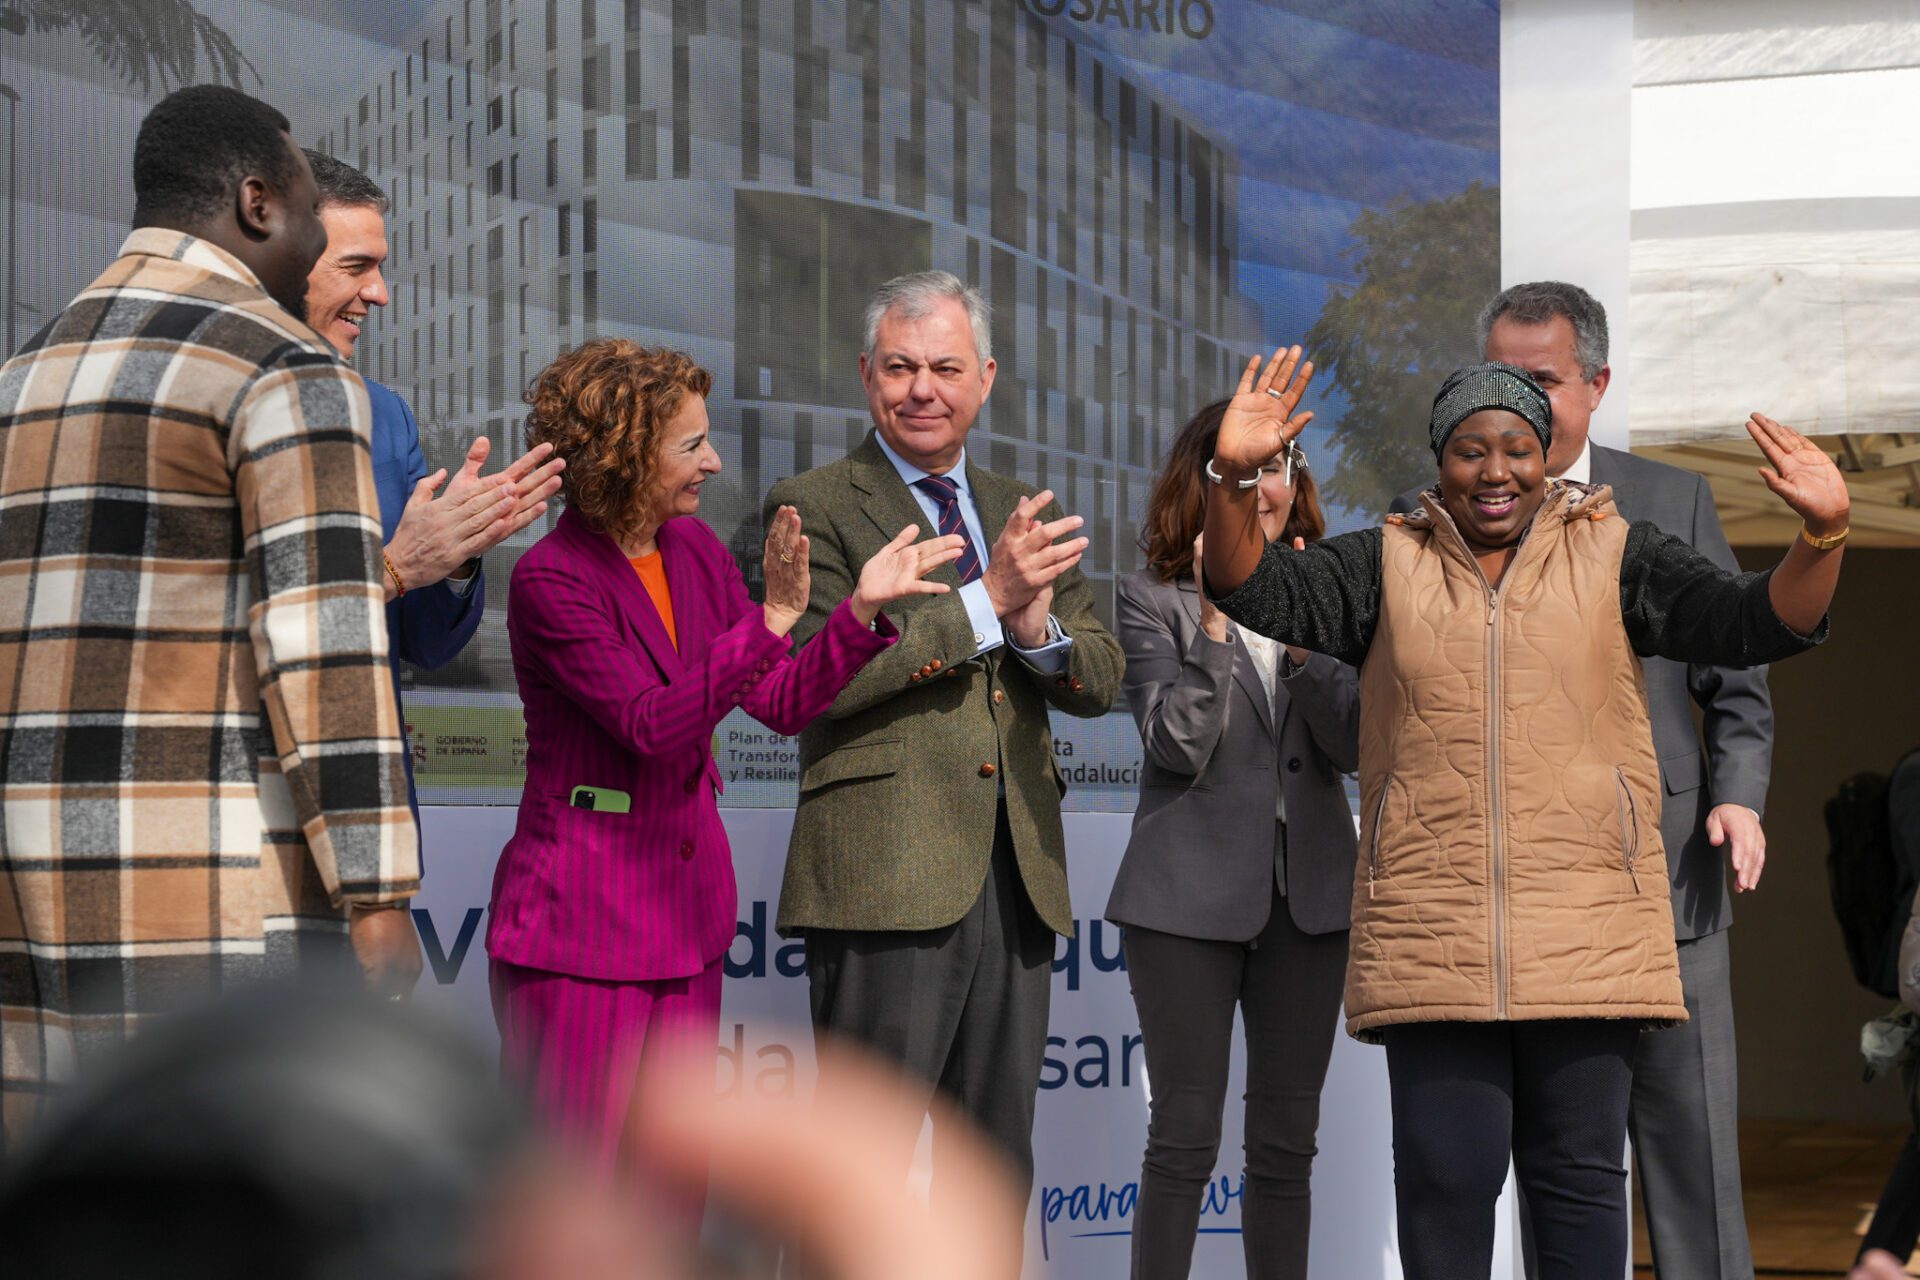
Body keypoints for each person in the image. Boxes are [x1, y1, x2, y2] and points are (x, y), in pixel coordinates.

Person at [1203, 351, 1847, 1279]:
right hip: (1437, 939)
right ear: (1439, 461)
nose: (1494, 470)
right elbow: (1250, 587)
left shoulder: (1622, 552)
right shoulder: (1383, 560)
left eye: (1516, 448)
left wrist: (1822, 535)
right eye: (1470, 451)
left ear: (1547, 457)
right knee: (1444, 1188)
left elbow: (1753, 622)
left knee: (1580, 1193)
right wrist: (1232, 476)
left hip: (1587, 938)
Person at [0, 85, 420, 1151]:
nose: (326, 240)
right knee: (232, 1206)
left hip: (24, 896)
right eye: (316, 213)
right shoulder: (284, 364)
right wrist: (378, 894)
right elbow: (323, 645)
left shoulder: (19, 376)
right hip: (215, 896)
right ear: (257, 202)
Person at [485, 339, 962, 1182]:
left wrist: (855, 613)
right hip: (581, 934)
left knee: (670, 1203)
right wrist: (773, 618)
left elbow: (777, 703)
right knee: (571, 1203)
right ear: (626, 457)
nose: (711, 460)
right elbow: (650, 723)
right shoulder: (552, 580)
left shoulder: (696, 551)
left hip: (686, 924)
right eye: (689, 445)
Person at [1392, 281, 1773, 1279]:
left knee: (1690, 1160)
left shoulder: (1670, 500)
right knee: (1546, 1169)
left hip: (1667, 884)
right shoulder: (1425, 516)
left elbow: (1736, 679)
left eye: (1542, 379)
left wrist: (1738, 793)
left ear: (1596, 386)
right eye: (1498, 376)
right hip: (1512, 919)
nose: (1515, 400)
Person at [767, 270, 1124, 1211]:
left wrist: (1040, 634)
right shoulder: (811, 502)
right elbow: (812, 678)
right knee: (858, 1182)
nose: (922, 388)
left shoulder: (1020, 506)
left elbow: (1102, 674)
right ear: (864, 376)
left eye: (945, 367)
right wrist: (986, 604)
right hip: (884, 880)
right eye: (900, 366)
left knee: (992, 1175)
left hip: (1016, 879)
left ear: (986, 379)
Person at [1106, 404, 1359, 1280]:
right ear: (1208, 484)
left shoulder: (1333, 593)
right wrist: (1217, 623)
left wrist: (1300, 643)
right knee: (1182, 1139)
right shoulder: (1149, 598)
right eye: (1246, 469)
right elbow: (1174, 743)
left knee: (1287, 1144)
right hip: (1184, 906)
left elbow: (1355, 743)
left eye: (1281, 466)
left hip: (1311, 904)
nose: (1267, 486)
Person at [300, 150, 565, 822]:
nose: (380, 293)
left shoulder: (386, 418)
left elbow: (425, 642)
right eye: (357, 266)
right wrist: (393, 568)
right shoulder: (202, 398)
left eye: (381, 268)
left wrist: (460, 549)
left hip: (371, 807)